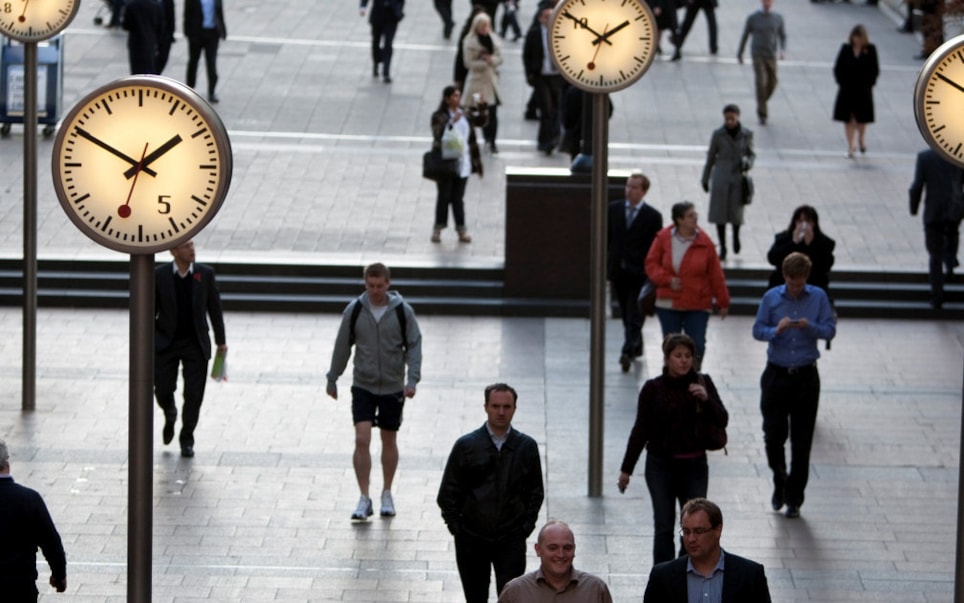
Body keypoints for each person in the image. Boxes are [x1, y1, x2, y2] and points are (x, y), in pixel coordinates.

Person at [618, 334, 728, 565]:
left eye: (688, 356)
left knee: (694, 528)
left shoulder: (702, 382)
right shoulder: (653, 389)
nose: (684, 361)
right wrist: (626, 470)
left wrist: (706, 400)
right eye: (678, 356)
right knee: (664, 525)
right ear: (667, 358)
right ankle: (663, 577)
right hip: (661, 466)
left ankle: (686, 573)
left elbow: (722, 419)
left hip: (695, 465)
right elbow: (641, 430)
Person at [327, 263, 422, 520]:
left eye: (380, 286)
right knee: (362, 438)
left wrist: (412, 379)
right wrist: (333, 377)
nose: (375, 291)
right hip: (364, 384)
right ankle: (364, 496)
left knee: (389, 440)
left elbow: (414, 344)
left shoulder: (402, 312)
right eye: (370, 286)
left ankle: (387, 492)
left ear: (388, 284)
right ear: (365, 284)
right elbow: (342, 345)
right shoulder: (355, 310)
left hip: (392, 385)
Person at [437, 383, 544, 602]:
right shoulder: (466, 446)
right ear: (486, 407)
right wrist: (458, 528)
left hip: (510, 538)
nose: (501, 412)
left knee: (511, 597)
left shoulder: (526, 447)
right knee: (475, 597)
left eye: (507, 406)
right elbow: (448, 492)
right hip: (472, 539)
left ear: (515, 408)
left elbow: (536, 491)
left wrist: (524, 528)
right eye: (496, 406)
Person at [752, 252, 836, 518]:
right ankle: (779, 477)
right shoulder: (772, 298)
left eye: (799, 283)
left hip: (805, 376)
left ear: (806, 278)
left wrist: (809, 327)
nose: (795, 287)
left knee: (802, 439)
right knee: (773, 434)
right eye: (791, 282)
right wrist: (775, 331)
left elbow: (829, 330)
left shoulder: (818, 297)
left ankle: (794, 497)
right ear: (784, 277)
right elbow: (757, 330)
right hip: (776, 374)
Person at [154, 240, 227, 458]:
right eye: (187, 246)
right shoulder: (160, 275)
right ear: (174, 251)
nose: (192, 249)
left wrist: (221, 342)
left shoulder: (205, 274)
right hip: (167, 342)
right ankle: (169, 412)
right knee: (163, 388)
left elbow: (215, 309)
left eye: (193, 245)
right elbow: (151, 309)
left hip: (195, 343)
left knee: (194, 395)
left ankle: (187, 438)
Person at [645, 202, 730, 369]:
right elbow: (651, 264)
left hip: (697, 301)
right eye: (690, 215)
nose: (695, 218)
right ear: (679, 220)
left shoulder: (705, 242)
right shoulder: (663, 238)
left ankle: (692, 376)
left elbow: (716, 274)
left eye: (695, 214)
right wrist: (667, 279)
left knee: (697, 343)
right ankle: (671, 378)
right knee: (671, 345)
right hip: (669, 301)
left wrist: (723, 301)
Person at [642, 498, 772, 602]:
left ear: (717, 530)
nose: (691, 539)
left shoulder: (750, 576)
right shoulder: (662, 577)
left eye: (699, 531)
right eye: (686, 532)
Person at [608, 172, 663, 373]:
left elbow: (656, 246)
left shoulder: (652, 216)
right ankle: (635, 344)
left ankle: (627, 350)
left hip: (640, 273)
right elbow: (607, 238)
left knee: (634, 312)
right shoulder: (613, 210)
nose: (629, 190)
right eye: (628, 186)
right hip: (618, 272)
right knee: (625, 312)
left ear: (643, 191)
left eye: (634, 187)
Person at [0, 440, 68, 601]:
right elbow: (51, 542)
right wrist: (59, 575)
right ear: (6, 463)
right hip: (19, 588)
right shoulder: (29, 499)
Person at [498, 520, 613, 602]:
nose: (561, 554)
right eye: (553, 548)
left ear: (574, 550)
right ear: (538, 550)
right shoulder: (516, 592)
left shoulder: (595, 589)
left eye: (567, 548)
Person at [431, 85, 487, 243]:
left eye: (458, 95)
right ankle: (438, 228)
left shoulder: (465, 113)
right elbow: (437, 133)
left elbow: (481, 122)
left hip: (464, 163)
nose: (457, 99)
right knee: (444, 196)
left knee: (458, 198)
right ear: (447, 99)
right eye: (454, 96)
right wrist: (450, 122)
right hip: (445, 164)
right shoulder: (439, 116)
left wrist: (482, 107)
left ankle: (461, 229)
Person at [909, 148, 964, 309]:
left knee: (934, 254)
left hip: (934, 210)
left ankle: (936, 296)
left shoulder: (925, 157)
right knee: (952, 234)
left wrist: (914, 208)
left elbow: (917, 186)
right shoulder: (957, 157)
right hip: (954, 207)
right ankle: (950, 263)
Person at [701, 104, 754, 261]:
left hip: (737, 177)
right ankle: (723, 245)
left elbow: (751, 154)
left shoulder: (746, 134)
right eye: (727, 118)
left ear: (738, 117)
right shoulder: (718, 134)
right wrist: (705, 178)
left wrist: (747, 163)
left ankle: (736, 237)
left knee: (736, 213)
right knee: (720, 214)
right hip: (721, 176)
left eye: (732, 118)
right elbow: (711, 157)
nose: (729, 121)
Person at [522, 2, 564, 156]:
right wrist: (530, 74)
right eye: (546, 17)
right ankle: (545, 141)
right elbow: (527, 55)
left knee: (556, 109)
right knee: (546, 110)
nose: (549, 20)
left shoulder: (561, 33)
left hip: (556, 77)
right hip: (541, 76)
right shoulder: (534, 33)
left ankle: (554, 137)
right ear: (540, 18)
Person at [766, 205, 836, 295]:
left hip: (813, 286)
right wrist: (793, 243)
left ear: (814, 223)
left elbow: (826, 265)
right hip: (783, 285)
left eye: (808, 221)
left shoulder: (825, 242)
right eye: (800, 221)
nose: (804, 225)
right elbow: (773, 258)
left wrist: (811, 245)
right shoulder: (783, 238)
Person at [832, 25, 879, 158]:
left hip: (863, 90)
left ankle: (861, 139)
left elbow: (874, 69)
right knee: (848, 118)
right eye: (855, 37)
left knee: (862, 119)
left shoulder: (870, 50)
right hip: (847, 89)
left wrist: (870, 83)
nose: (856, 40)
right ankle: (851, 145)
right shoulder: (846, 49)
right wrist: (841, 81)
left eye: (859, 37)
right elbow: (838, 67)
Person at [737, 0, 786, 126]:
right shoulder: (753, 18)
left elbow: (782, 35)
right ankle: (762, 112)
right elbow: (745, 35)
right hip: (757, 54)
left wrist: (782, 50)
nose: (767, 3)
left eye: (769, 1)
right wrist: (740, 52)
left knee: (772, 82)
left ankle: (761, 100)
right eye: (765, 1)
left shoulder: (777, 18)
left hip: (771, 54)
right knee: (761, 82)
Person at [462, 12, 504, 154]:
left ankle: (491, 140)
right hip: (477, 82)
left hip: (490, 81)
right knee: (476, 112)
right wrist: (483, 62)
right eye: (483, 26)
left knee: (492, 113)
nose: (485, 28)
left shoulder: (493, 39)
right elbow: (468, 63)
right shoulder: (470, 42)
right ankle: (473, 139)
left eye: (487, 25)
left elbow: (500, 58)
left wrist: (492, 60)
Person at [184, 0, 227, 103]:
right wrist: (188, 34)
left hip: (212, 34)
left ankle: (212, 91)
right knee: (193, 62)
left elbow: (220, 12)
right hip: (196, 33)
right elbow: (187, 15)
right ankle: (189, 89)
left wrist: (223, 30)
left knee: (211, 63)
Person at [360, 0, 404, 84]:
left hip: (391, 17)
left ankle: (386, 72)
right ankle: (376, 61)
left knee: (388, 44)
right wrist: (363, 7)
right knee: (375, 43)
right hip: (377, 15)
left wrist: (399, 10)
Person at [123, 0, 164, 75]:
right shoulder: (157, 6)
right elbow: (160, 27)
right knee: (149, 69)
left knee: (136, 71)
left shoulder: (131, 5)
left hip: (136, 43)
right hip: (150, 42)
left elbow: (126, 25)